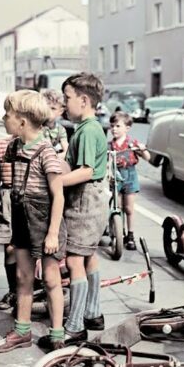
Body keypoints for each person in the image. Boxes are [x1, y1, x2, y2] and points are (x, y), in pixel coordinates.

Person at [0, 90, 66, 353]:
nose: (3, 118)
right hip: (22, 219)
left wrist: (53, 233)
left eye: (7, 115)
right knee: (23, 277)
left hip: (45, 222)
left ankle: (57, 335)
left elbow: (58, 196)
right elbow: (0, 170)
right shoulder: (13, 146)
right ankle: (22, 332)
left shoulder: (46, 152)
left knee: (51, 279)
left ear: (22, 122)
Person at [58, 72, 109, 344]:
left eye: (67, 98)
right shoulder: (87, 128)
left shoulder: (89, 130)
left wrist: (56, 182)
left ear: (84, 100)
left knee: (75, 259)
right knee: (89, 255)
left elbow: (86, 171)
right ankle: (93, 312)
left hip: (85, 199)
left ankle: (75, 326)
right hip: (93, 199)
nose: (65, 104)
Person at [109, 111, 150, 250]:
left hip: (130, 175)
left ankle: (130, 235)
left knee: (129, 208)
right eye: (112, 126)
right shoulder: (110, 145)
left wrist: (142, 149)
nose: (114, 129)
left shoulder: (132, 143)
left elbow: (147, 157)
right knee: (118, 206)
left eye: (118, 126)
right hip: (116, 176)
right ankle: (119, 232)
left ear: (127, 128)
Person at [0, 135, 17, 310]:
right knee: (8, 247)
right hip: (6, 198)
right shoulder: (1, 144)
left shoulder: (36, 142)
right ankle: (13, 290)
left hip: (26, 197)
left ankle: (31, 289)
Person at [41, 89, 69, 159]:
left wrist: (55, 157)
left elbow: (67, 151)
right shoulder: (37, 127)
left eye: (53, 108)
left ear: (60, 111)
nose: (48, 111)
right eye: (46, 107)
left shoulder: (60, 130)